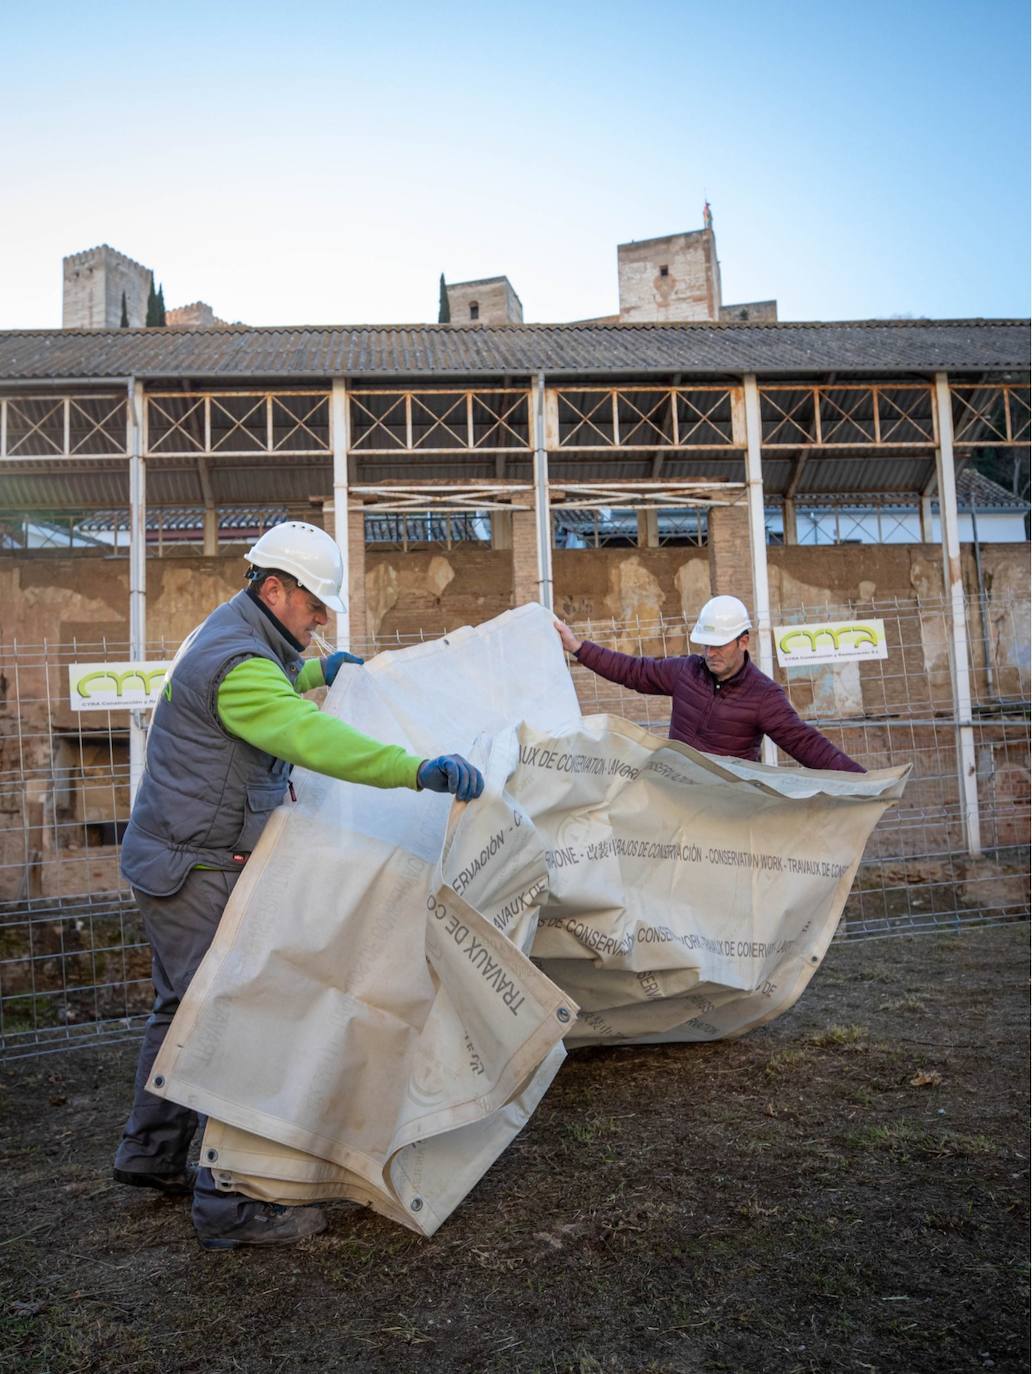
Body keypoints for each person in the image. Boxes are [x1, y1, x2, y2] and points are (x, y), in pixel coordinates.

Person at [113, 521, 484, 1251]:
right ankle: (229, 1202)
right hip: (195, 869)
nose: (321, 620)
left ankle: (150, 1153)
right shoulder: (240, 664)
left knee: (183, 1010)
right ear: (275, 589)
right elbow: (309, 738)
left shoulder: (227, 634)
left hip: (172, 861)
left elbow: (263, 692)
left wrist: (315, 674)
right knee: (231, 1019)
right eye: (315, 606)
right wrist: (415, 769)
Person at [554, 594, 864, 772]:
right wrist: (579, 648)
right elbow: (633, 671)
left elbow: (805, 743)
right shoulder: (685, 672)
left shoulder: (764, 696)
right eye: (706, 644)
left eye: (719, 645)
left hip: (728, 807)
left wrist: (863, 782)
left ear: (744, 641)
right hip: (678, 792)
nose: (710, 652)